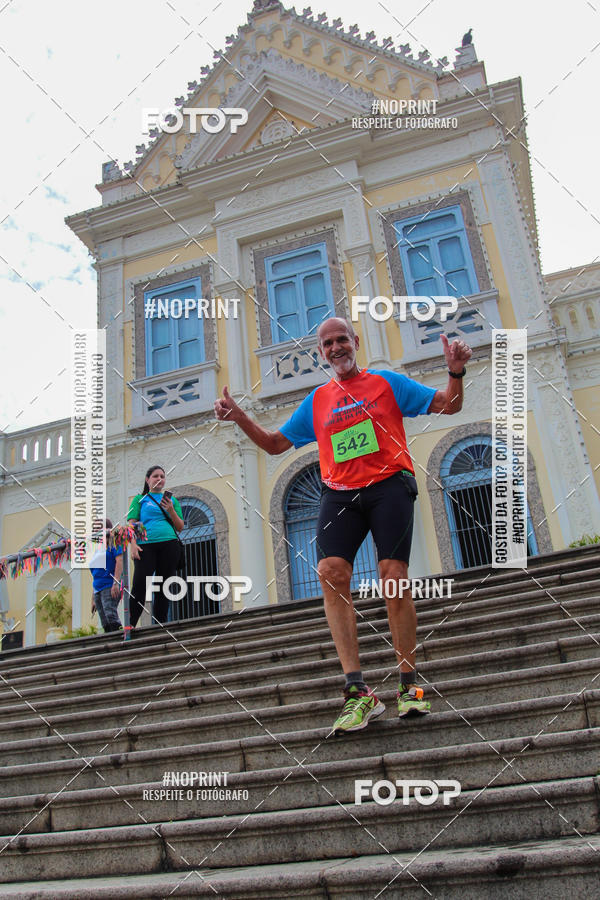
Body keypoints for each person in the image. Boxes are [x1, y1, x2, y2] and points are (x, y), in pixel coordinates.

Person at [214, 317, 471, 733]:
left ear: (356, 341)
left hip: (390, 485)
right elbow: (276, 444)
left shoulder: (387, 383)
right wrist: (240, 417)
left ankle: (408, 686)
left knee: (393, 576)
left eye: (341, 339)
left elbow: (449, 403)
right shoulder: (318, 400)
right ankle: (357, 692)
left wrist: (455, 370)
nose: (336, 347)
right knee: (330, 572)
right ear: (321, 352)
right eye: (327, 342)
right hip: (340, 494)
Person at [127, 465, 184, 627]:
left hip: (169, 544)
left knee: (163, 584)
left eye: (162, 476)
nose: (159, 479)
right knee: (140, 583)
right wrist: (133, 544)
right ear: (147, 480)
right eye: (155, 476)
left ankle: (161, 623)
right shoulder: (140, 499)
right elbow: (132, 523)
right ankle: (130, 624)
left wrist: (171, 510)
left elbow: (180, 526)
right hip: (146, 545)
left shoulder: (172, 501)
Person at [89, 518, 123, 633]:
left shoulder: (113, 543)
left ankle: (120, 640)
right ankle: (110, 642)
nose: (96, 531)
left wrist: (116, 582)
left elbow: (119, 561)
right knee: (104, 620)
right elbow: (95, 575)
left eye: (99, 528)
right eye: (94, 529)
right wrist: (93, 597)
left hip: (110, 584)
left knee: (110, 614)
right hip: (98, 588)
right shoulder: (96, 549)